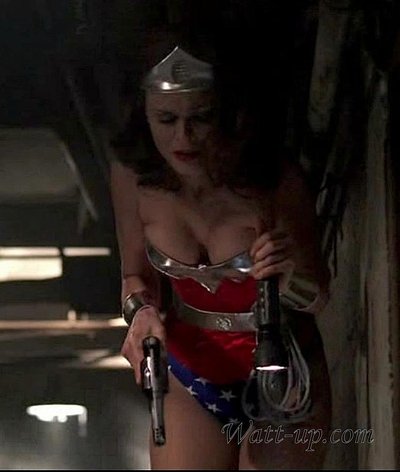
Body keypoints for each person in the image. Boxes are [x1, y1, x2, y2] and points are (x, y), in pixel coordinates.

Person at [109, 39, 332, 470]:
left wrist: (287, 275)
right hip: (191, 363)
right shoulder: (132, 177)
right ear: (145, 114)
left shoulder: (271, 178)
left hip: (279, 360)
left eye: (200, 118)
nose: (183, 138)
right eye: (166, 119)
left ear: (228, 114)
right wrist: (141, 313)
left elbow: (318, 295)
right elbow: (134, 275)